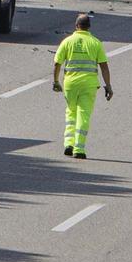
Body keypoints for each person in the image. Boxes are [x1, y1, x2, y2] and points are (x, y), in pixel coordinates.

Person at [50, 13, 113, 159]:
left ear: (76, 26)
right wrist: (108, 86)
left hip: (71, 84)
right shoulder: (95, 43)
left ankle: (68, 143)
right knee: (83, 115)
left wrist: (55, 81)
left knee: (71, 112)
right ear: (89, 27)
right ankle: (79, 148)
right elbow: (104, 66)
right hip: (89, 85)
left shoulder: (67, 41)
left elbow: (57, 64)